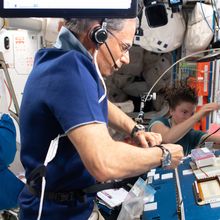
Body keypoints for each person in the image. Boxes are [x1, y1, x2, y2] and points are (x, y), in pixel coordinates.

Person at [18, 18, 183, 220]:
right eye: (124, 47)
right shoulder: (71, 70)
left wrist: (134, 129)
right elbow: (104, 162)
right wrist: (163, 155)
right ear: (98, 34)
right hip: (56, 213)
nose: (126, 59)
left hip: (73, 204)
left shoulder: (60, 58)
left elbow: (99, 102)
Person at [148, 82, 220, 156]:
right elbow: (167, 139)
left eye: (192, 114)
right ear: (171, 110)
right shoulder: (158, 122)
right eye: (184, 112)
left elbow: (216, 141)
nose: (189, 117)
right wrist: (198, 115)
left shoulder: (192, 134)